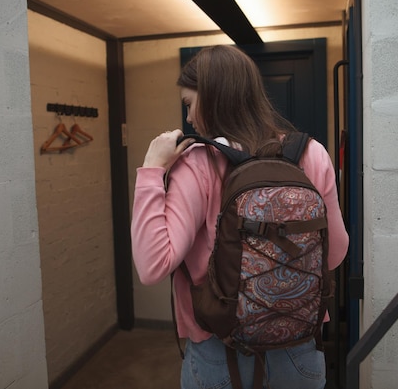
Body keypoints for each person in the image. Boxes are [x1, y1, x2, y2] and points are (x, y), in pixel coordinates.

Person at [131, 44, 349, 389]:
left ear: (214, 96)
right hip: (298, 348)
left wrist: (151, 169)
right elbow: (334, 253)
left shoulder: (197, 163)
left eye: (189, 103)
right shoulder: (312, 154)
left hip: (220, 351)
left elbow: (151, 266)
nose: (188, 118)